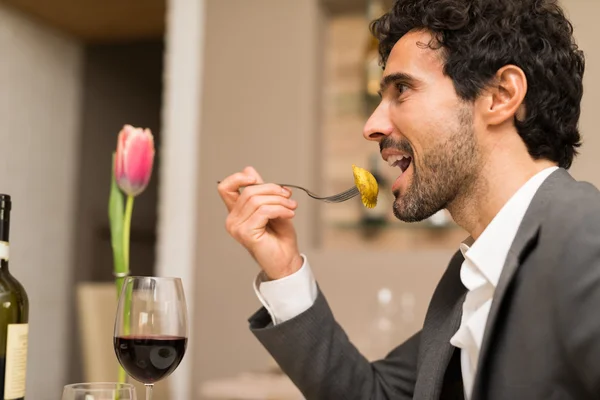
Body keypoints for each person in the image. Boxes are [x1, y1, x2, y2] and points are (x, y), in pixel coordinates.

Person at [216, 0, 598, 398]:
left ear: (501, 96)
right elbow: (374, 394)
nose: (372, 126)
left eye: (402, 89)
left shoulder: (586, 241)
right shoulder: (470, 279)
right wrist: (284, 269)